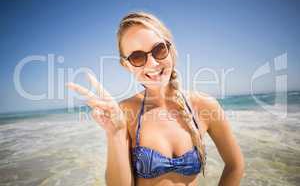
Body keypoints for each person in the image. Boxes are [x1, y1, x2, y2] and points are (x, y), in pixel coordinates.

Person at [67, 11, 244, 186]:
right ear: (126, 65)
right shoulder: (124, 113)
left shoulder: (205, 105)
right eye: (137, 57)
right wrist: (115, 133)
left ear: (170, 49)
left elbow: (235, 165)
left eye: (159, 49)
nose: (152, 64)